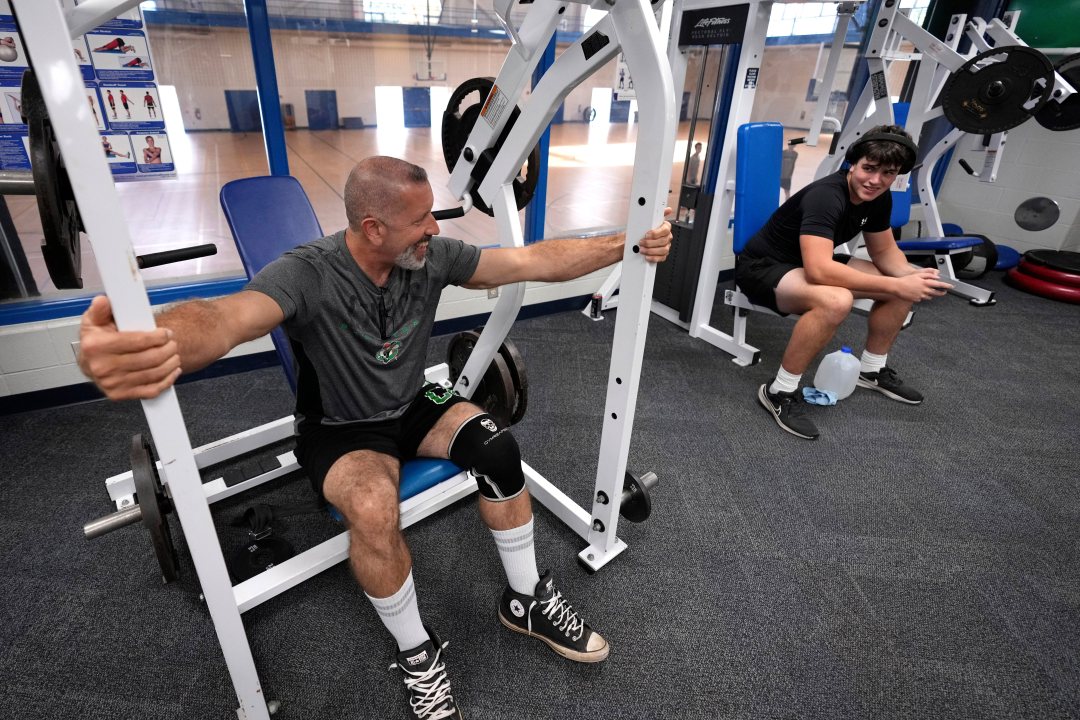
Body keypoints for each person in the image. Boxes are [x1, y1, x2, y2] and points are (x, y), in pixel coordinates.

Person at [77, 156, 673, 720]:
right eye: (420, 220)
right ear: (372, 227)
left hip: (414, 403)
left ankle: (526, 601)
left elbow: (529, 262)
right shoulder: (305, 273)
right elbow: (225, 318)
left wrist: (626, 243)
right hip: (338, 428)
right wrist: (150, 340)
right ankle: (417, 653)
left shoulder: (431, 256)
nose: (433, 228)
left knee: (497, 447)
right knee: (371, 507)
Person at [735, 125, 952, 441]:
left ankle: (872, 370)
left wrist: (915, 278)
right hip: (764, 268)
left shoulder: (879, 197)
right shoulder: (827, 195)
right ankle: (779, 391)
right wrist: (897, 287)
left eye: (887, 173)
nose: (875, 180)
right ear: (853, 163)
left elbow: (886, 254)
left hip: (806, 264)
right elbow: (820, 271)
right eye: (869, 168)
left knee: (903, 276)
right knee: (837, 300)